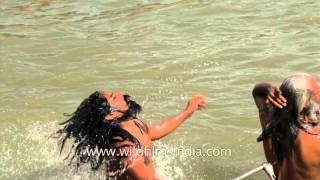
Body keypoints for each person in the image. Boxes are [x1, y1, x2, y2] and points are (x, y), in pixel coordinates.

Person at [57, 91, 206, 179]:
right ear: (111, 115)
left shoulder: (132, 124)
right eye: (115, 97)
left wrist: (188, 111)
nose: (122, 94)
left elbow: (156, 130)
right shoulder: (126, 150)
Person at [252, 73, 320, 180]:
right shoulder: (316, 139)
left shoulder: (276, 126)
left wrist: (268, 88)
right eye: (317, 91)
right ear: (307, 105)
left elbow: (258, 93)